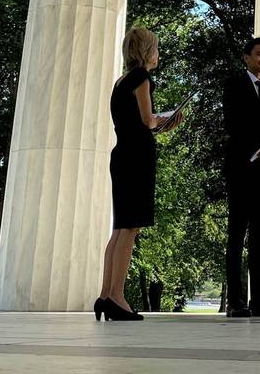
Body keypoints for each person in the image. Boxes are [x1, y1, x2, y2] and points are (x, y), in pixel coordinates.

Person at [95, 27, 182, 321]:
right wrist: (167, 119)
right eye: (155, 48)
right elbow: (147, 120)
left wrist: (159, 123)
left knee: (119, 229)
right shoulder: (142, 78)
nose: (158, 54)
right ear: (146, 51)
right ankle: (118, 297)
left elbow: (134, 121)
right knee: (130, 229)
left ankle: (106, 294)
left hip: (121, 155)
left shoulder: (120, 81)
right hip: (136, 158)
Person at [221, 37, 260, 318]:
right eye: (259, 54)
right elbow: (233, 125)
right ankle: (236, 300)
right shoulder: (234, 86)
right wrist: (258, 151)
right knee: (237, 234)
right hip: (241, 169)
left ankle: (258, 297)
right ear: (246, 57)